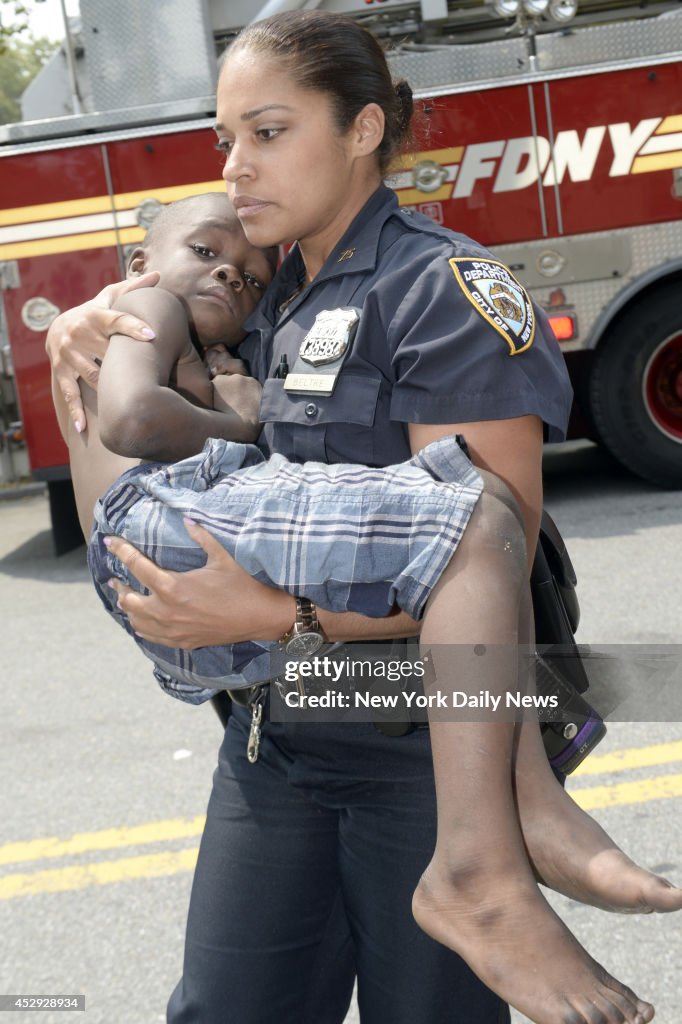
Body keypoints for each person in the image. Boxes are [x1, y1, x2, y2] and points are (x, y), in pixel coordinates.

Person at [46, 12, 682, 1024]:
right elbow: (147, 375)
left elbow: (491, 554)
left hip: (424, 754)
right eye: (224, 139)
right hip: (274, 742)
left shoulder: (442, 291)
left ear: (360, 130)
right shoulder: (257, 290)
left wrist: (273, 617)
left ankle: (495, 859)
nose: (237, 166)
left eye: (267, 132)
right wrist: (95, 320)